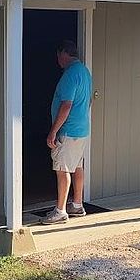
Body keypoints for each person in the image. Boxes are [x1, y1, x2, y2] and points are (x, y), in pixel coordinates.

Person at [42, 39, 92, 224]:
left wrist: (53, 131)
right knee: (77, 166)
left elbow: (66, 105)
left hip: (68, 130)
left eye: (58, 56)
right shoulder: (85, 72)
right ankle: (77, 205)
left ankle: (60, 210)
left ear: (64, 53)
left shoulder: (70, 74)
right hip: (82, 129)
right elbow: (88, 100)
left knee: (62, 169)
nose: (57, 60)